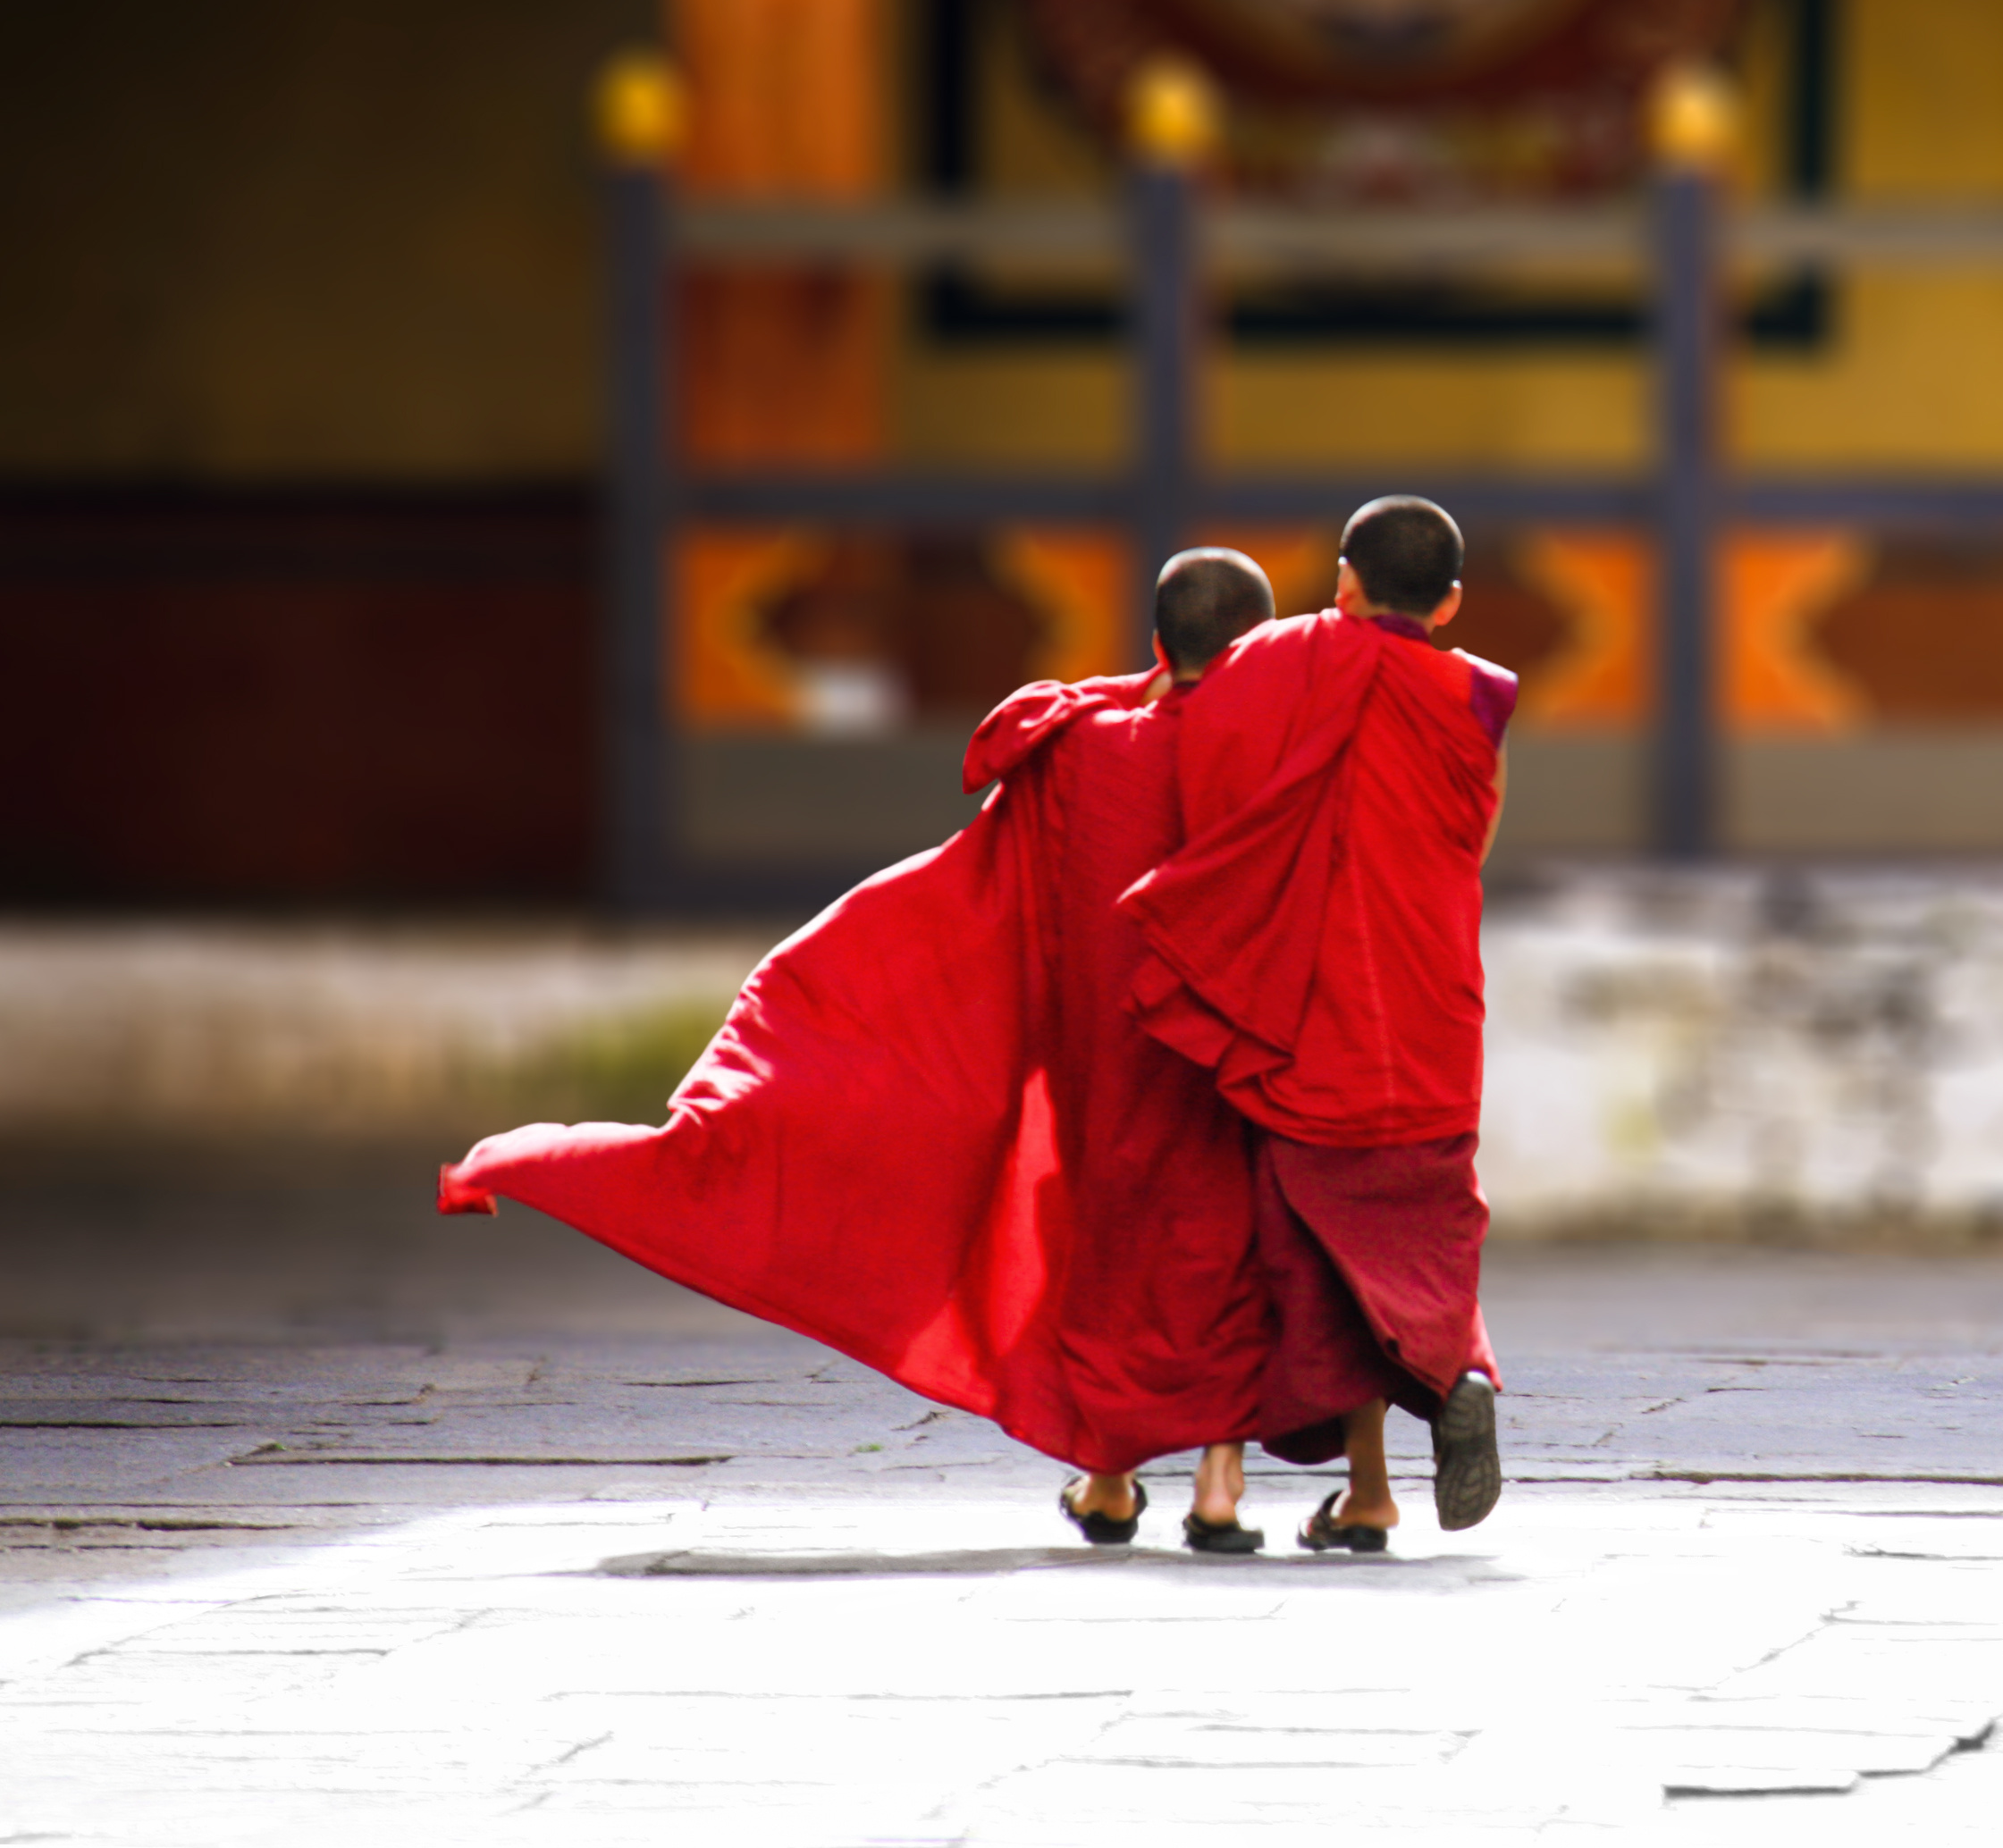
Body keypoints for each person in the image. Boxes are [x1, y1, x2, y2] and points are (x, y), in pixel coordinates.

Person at [439, 548, 1285, 1553]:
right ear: (1263, 648)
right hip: (1231, 1047)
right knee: (1224, 1245)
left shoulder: (1079, 748)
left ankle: (1110, 1480)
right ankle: (1219, 1488)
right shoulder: (1275, 752)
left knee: (1103, 1247)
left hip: (1102, 1060)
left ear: (1155, 641)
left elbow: (982, 892)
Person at [1124, 495, 1513, 1555]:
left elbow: (1211, 774)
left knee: (1313, 1253)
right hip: (1431, 996)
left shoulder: (1277, 658)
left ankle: (1376, 1462)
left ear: (1344, 580)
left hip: (1313, 1000)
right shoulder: (1476, 695)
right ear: (1450, 603)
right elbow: (1466, 839)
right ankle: (1452, 1370)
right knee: (1425, 1213)